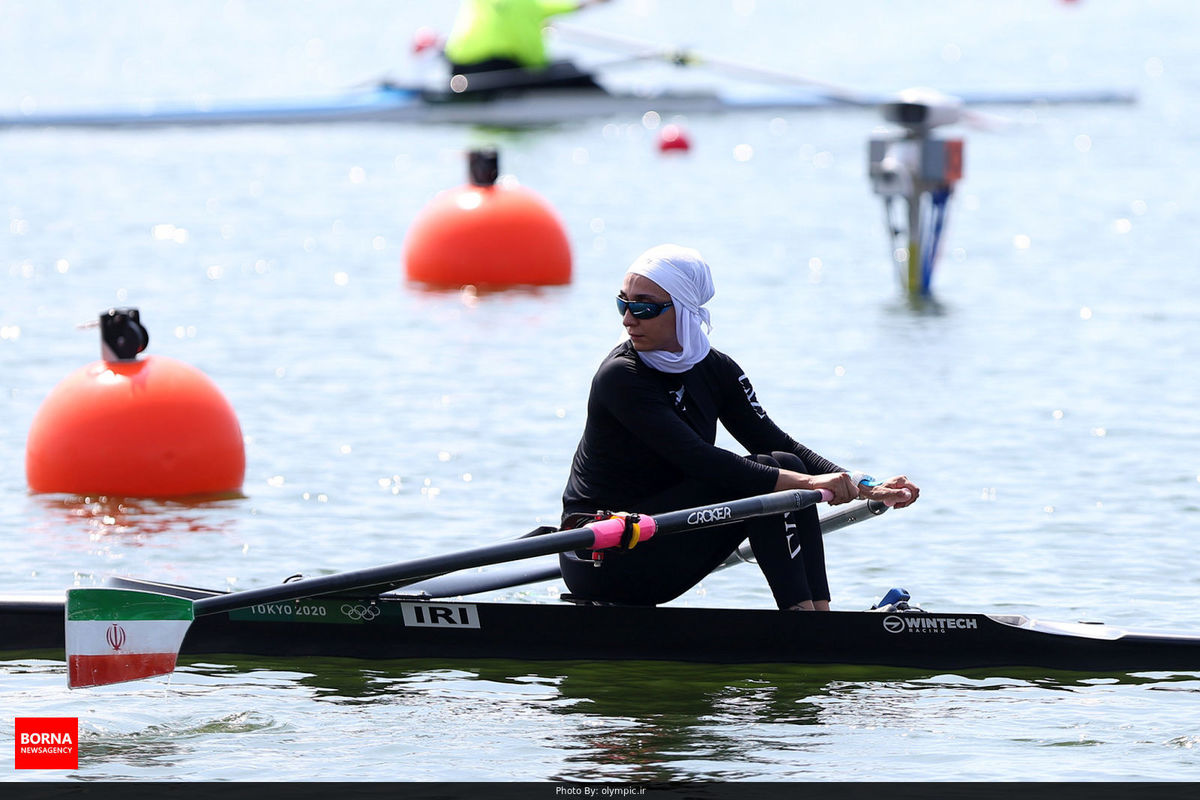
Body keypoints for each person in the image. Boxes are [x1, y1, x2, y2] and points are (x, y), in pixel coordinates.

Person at [559, 244, 919, 610]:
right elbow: (701, 461)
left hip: (663, 535)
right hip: (603, 556)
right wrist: (811, 484)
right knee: (782, 475)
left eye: (644, 307)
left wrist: (864, 485)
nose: (628, 319)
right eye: (623, 304)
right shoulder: (621, 376)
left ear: (684, 310)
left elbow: (778, 442)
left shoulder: (715, 370)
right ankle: (807, 626)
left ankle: (817, 617)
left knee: (783, 462)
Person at [442, 0, 609, 90]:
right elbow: (535, 61)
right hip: (496, 70)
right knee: (571, 72)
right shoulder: (530, 5)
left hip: (459, 70)